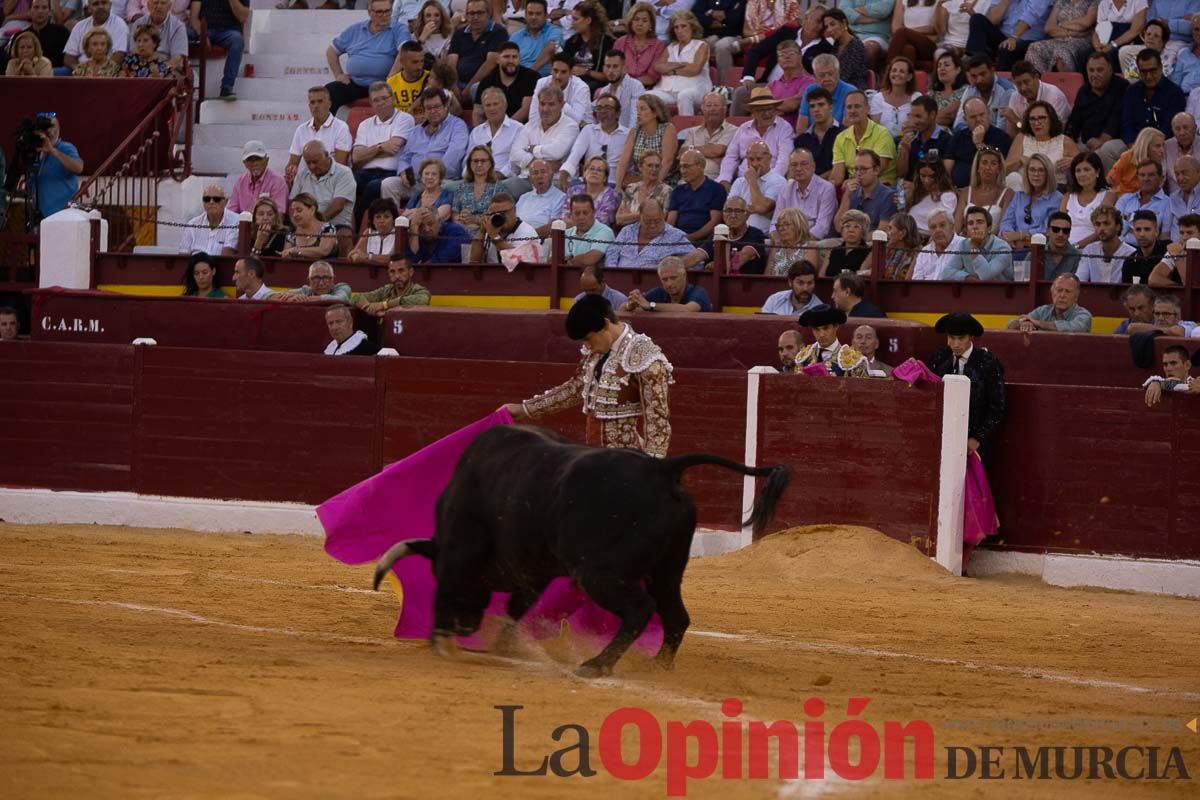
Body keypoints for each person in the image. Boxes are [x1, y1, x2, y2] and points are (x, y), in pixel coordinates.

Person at [506, 292, 672, 456]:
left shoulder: (645, 356)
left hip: (626, 461)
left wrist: (652, 469)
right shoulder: (596, 351)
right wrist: (524, 409)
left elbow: (657, 421)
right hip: (592, 456)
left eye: (589, 338)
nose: (587, 346)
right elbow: (575, 389)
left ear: (606, 324)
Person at [921, 311, 1007, 460]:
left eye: (961, 338)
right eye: (951, 338)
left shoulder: (987, 362)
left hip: (974, 441)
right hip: (943, 435)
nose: (955, 344)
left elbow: (997, 406)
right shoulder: (939, 358)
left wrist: (978, 438)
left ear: (970, 337)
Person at [383, 88, 469, 205]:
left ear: (445, 106)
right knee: (388, 184)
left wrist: (430, 175)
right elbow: (405, 157)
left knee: (445, 186)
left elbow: (453, 156)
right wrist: (403, 172)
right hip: (416, 182)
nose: (433, 111)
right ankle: (395, 221)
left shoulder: (457, 126)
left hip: (442, 181)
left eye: (437, 107)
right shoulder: (417, 130)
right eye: (429, 108)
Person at [323, 0, 409, 112]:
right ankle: (326, 128)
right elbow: (331, 51)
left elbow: (405, 50)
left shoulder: (399, 29)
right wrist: (339, 74)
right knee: (328, 93)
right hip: (355, 83)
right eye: (379, 12)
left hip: (384, 83)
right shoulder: (355, 29)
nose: (384, 15)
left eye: (387, 11)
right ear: (369, 12)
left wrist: (391, 77)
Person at [350, 83, 414, 219]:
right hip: (366, 172)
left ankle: (362, 228)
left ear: (393, 99)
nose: (380, 103)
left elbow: (394, 148)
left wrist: (368, 152)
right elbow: (356, 156)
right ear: (371, 104)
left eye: (384, 98)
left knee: (372, 187)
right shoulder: (365, 124)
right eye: (376, 100)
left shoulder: (405, 119)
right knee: (348, 181)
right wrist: (380, 147)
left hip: (392, 172)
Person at [1065, 51, 1130, 174]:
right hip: (1086, 143)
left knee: (1104, 150)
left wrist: (1101, 140)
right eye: (1091, 70)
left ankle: (1107, 187)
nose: (1095, 74)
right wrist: (1069, 143)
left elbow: (1116, 119)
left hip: (1116, 141)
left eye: (1100, 70)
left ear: (1110, 69)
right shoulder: (1083, 91)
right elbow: (1074, 122)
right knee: (1065, 154)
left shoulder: (1123, 87)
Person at [507, 86, 579, 194]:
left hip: (554, 181)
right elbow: (514, 154)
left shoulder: (571, 126)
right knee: (501, 188)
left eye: (551, 104)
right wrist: (541, 164)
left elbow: (556, 152)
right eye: (542, 104)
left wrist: (532, 149)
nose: (545, 109)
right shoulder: (529, 126)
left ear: (561, 105)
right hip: (526, 179)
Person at [718, 87, 793, 189]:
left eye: (770, 109)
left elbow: (784, 159)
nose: (767, 113)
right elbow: (731, 156)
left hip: (771, 181)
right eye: (762, 110)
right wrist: (725, 179)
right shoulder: (743, 128)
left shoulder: (784, 128)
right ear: (753, 112)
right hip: (742, 181)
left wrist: (771, 181)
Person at [291, 141, 357, 255]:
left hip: (335, 225)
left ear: (327, 155)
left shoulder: (344, 173)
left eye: (315, 162)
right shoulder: (302, 174)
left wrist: (316, 225)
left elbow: (338, 205)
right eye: (308, 163)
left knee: (344, 235)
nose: (312, 166)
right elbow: (292, 203)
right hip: (303, 225)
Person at [999, 153, 1063, 258]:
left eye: (1041, 170)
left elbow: (1047, 229)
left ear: (1048, 174)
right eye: (1032, 170)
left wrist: (1020, 236)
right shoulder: (1019, 196)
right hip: (1014, 245)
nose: (1036, 174)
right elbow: (1007, 222)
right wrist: (1009, 237)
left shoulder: (1056, 198)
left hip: (1039, 249)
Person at [1004, 101, 1077, 190]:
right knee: (1013, 177)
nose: (1037, 123)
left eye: (1042, 118)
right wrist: (1020, 161)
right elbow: (1004, 170)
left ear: (1051, 119)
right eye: (1032, 119)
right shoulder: (1022, 138)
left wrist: (1073, 161)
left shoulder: (1065, 141)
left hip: (1053, 189)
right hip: (1024, 188)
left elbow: (1085, 164)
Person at [286, 87, 352, 185]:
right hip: (308, 180)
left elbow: (340, 166)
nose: (316, 106)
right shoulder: (301, 130)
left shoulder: (341, 128)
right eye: (312, 102)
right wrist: (290, 173)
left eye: (320, 101)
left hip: (333, 181)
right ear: (309, 106)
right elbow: (292, 163)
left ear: (329, 104)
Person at [964, 0, 1055, 71]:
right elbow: (992, 21)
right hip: (1004, 36)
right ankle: (976, 61)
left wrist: (1014, 38)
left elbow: (1030, 15)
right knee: (977, 19)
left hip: (1027, 40)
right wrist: (1006, 1)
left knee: (1007, 48)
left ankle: (1000, 84)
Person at [558, 94, 626, 188]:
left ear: (618, 113)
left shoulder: (627, 135)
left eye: (607, 108)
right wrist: (564, 172)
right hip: (587, 181)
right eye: (599, 108)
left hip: (613, 183)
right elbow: (575, 155)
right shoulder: (588, 130)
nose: (603, 111)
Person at [831, 90, 897, 187]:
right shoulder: (840, 138)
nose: (852, 111)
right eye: (849, 107)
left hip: (881, 187)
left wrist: (852, 181)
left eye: (857, 106)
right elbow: (837, 176)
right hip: (853, 187)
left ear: (868, 109)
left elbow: (877, 170)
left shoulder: (882, 134)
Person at [943, 98, 1013, 189]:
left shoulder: (1002, 137)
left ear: (988, 113)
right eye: (973, 117)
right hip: (957, 190)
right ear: (965, 119)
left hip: (988, 190)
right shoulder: (958, 137)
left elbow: (998, 168)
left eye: (982, 115)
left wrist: (979, 143)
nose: (978, 119)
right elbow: (947, 168)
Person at [1121, 47, 1187, 145]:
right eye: (1144, 72)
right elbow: (1126, 123)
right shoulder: (1131, 91)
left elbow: (1169, 128)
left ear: (1161, 68)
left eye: (1153, 71)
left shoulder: (1174, 93)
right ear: (1138, 71)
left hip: (1163, 145)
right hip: (1132, 144)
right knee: (1108, 151)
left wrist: (1149, 145)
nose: (1148, 76)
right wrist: (1132, 144)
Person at [687, 196, 768, 272]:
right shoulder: (718, 233)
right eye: (728, 211)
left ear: (747, 215)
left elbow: (742, 257)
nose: (733, 215)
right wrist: (676, 265)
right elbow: (696, 256)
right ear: (723, 215)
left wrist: (718, 267)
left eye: (738, 211)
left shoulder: (755, 234)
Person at [614, 95, 678, 190]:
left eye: (643, 109)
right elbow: (623, 161)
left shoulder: (667, 129)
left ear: (655, 113)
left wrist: (653, 186)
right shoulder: (634, 132)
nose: (638, 113)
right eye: (637, 109)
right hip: (638, 180)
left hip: (663, 179)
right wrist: (618, 186)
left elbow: (667, 161)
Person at [607, 200, 694, 269]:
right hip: (620, 282)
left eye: (657, 221)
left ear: (663, 216)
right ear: (640, 217)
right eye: (647, 222)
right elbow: (612, 254)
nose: (652, 226)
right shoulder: (627, 231)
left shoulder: (676, 236)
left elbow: (696, 261)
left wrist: (674, 267)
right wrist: (614, 275)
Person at [446, 0, 509, 92]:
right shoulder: (459, 33)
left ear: (488, 14)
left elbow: (491, 63)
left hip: (484, 83)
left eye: (480, 13)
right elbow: (451, 61)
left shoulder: (498, 32)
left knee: (476, 89)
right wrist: (454, 87)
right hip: (457, 83)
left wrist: (469, 88)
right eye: (471, 13)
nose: (475, 17)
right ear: (466, 15)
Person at [792, 303, 870, 377]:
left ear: (836, 327)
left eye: (826, 328)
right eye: (816, 329)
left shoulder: (855, 361)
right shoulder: (803, 358)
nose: (821, 334)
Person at [190, 0, 247, 100]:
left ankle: (226, 88)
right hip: (203, 29)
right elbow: (194, 18)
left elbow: (242, 17)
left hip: (228, 31)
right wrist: (202, 34)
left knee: (237, 41)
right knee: (181, 33)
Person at [729, 142, 789, 235]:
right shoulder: (739, 182)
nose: (755, 164)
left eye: (759, 159)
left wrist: (752, 181)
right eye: (751, 159)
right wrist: (750, 209)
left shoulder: (778, 181)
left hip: (761, 236)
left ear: (769, 158)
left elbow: (760, 207)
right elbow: (730, 210)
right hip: (735, 233)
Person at [941, 206, 1014, 281]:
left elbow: (986, 276)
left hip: (1000, 291)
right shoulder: (963, 245)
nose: (975, 227)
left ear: (989, 228)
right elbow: (945, 273)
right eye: (970, 223)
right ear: (967, 231)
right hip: (973, 291)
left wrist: (973, 248)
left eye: (980, 222)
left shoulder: (1003, 248)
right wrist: (967, 277)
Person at [31, 112, 83, 219]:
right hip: (41, 217)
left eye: (51, 126)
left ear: (58, 129)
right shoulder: (36, 153)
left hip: (63, 216)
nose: (48, 130)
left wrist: (52, 151)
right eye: (44, 127)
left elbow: (78, 167)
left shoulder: (65, 147)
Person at [668, 150, 726, 242]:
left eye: (686, 166)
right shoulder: (678, 191)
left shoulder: (716, 189)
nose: (683, 171)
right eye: (681, 167)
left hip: (704, 240)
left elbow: (715, 222)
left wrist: (691, 238)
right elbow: (671, 222)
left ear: (701, 166)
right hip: (678, 238)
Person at [472, 42, 538, 124]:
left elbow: (526, 110)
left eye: (514, 57)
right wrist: (481, 131)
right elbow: (478, 112)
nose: (511, 61)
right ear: (498, 60)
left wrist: (506, 129)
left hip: (521, 128)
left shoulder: (531, 77)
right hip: (493, 128)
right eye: (506, 57)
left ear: (519, 59)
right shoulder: (488, 80)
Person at [1003, 60, 1072, 138]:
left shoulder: (1054, 96)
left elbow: (1049, 132)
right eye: (1018, 84)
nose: (1023, 88)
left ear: (1036, 77)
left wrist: (1017, 121)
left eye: (1027, 82)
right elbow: (1012, 133)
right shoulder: (1015, 96)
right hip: (1026, 141)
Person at [466, 88, 523, 183]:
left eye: (495, 104)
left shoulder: (518, 129)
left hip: (504, 179)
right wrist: (470, 176)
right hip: (475, 178)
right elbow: (468, 159)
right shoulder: (476, 132)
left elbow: (516, 161)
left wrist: (498, 175)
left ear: (505, 105)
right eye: (488, 105)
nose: (492, 108)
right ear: (483, 109)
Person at [1024, 0, 1097, 74]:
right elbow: (1048, 27)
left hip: (1081, 40)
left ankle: (1065, 82)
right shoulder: (1061, 2)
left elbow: (1087, 22)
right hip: (1060, 38)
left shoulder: (1092, 2)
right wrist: (1071, 32)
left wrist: (1060, 24)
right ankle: (1044, 80)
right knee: (1034, 47)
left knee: (1062, 51)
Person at [1061, 151, 1116, 247]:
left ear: (1097, 172)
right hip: (1066, 249)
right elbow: (1060, 224)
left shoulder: (1108, 195)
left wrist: (1077, 246)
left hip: (1093, 249)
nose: (1082, 174)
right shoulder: (1068, 196)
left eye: (1086, 169)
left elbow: (1103, 229)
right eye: (1078, 170)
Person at [623, 256, 713, 314]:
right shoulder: (659, 292)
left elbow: (688, 310)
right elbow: (623, 308)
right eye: (665, 279)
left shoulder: (698, 292)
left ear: (684, 275)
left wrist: (651, 305)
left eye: (673, 278)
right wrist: (632, 304)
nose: (669, 283)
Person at [833, 149, 895, 233]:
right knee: (816, 245)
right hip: (847, 241)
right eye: (856, 169)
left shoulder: (888, 195)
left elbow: (882, 232)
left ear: (876, 170)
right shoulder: (851, 192)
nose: (858, 173)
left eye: (863, 169)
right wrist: (846, 196)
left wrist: (857, 239)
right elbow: (838, 227)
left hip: (871, 243)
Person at [794, 54, 857, 136]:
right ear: (815, 77)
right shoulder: (810, 90)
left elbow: (847, 128)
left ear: (838, 73)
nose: (827, 79)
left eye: (830, 74)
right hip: (814, 139)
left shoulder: (851, 92)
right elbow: (801, 128)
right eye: (822, 75)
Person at [1007, 272, 1093, 331]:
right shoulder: (1043, 311)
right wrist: (1024, 323)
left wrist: (1036, 323)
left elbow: (1072, 328)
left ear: (1076, 297)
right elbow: (1011, 324)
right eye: (1059, 290)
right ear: (1052, 293)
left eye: (1068, 291)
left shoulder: (1083, 315)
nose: (1062, 295)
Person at [954, 147, 1012, 234]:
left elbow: (1004, 229)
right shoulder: (966, 192)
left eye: (993, 163)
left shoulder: (1007, 194)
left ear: (999, 169)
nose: (988, 167)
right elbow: (956, 228)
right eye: (984, 163)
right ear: (977, 167)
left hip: (993, 244)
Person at [681, 93, 737, 182]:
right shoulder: (693, 131)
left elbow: (718, 150)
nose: (712, 109)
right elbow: (682, 153)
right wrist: (712, 154)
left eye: (716, 105)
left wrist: (691, 150)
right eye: (708, 105)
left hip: (715, 180)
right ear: (702, 108)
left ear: (725, 109)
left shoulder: (733, 130)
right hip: (689, 179)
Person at [953, 54, 1017, 131]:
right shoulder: (971, 89)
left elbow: (1001, 129)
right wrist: (971, 134)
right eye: (974, 76)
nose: (979, 80)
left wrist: (980, 134)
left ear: (992, 70)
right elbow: (958, 124)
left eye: (982, 74)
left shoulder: (1006, 91)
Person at [527, 55, 596, 128]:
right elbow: (533, 116)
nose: (558, 76)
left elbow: (577, 119)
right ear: (551, 70)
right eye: (555, 70)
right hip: (551, 125)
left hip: (582, 128)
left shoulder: (581, 88)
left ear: (571, 73)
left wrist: (558, 96)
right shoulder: (542, 83)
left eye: (563, 72)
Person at [1114, 161, 1173, 245]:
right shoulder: (1125, 199)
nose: (1146, 179)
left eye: (1151, 175)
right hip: (1119, 248)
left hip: (1147, 252)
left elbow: (1164, 236)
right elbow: (1114, 228)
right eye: (1142, 175)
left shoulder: (1168, 203)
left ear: (1161, 178)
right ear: (1137, 178)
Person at [897, 95, 952, 185]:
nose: (914, 121)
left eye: (918, 116)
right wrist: (905, 149)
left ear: (932, 115)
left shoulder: (946, 140)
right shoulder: (911, 139)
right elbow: (900, 174)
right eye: (912, 116)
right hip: (908, 190)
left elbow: (944, 177)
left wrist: (915, 187)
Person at [561, 0, 613, 94]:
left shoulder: (606, 42)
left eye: (576, 19)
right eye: (572, 19)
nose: (573, 23)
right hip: (572, 82)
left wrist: (586, 72)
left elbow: (609, 76)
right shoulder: (571, 42)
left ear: (588, 20)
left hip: (596, 86)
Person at [62, 0, 127, 74]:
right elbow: (68, 58)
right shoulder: (79, 26)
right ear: (89, 8)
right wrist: (82, 71)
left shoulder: (119, 24)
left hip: (108, 72)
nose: (100, 7)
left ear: (110, 5)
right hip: (81, 71)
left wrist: (100, 73)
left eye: (104, 3)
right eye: (96, 4)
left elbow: (119, 56)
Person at [792, 87, 843, 180]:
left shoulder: (844, 134)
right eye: (812, 106)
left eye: (821, 105)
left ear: (831, 107)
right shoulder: (801, 140)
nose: (816, 109)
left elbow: (843, 168)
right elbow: (794, 169)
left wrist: (815, 183)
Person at [613, 2, 666, 91]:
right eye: (636, 19)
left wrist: (630, 85)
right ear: (631, 22)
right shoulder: (620, 42)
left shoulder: (658, 46)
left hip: (645, 89)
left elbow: (652, 77)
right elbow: (613, 69)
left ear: (651, 25)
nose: (640, 24)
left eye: (645, 21)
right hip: (620, 85)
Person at [353, 256, 431, 316]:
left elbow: (423, 300)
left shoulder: (419, 290)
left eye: (401, 270)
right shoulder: (386, 291)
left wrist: (384, 305)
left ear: (410, 272)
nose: (397, 276)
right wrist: (368, 307)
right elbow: (355, 297)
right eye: (392, 271)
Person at [1076, 205, 1136, 282]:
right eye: (1098, 224)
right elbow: (1080, 280)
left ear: (1117, 226)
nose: (1101, 228)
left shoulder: (1130, 253)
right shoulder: (1090, 250)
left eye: (1106, 223)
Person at [227, 141, 288, 216]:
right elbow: (231, 213)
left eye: (258, 159)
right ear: (244, 163)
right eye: (250, 160)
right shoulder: (240, 182)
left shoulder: (278, 181)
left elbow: (279, 215)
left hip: (269, 226)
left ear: (267, 160)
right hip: (243, 225)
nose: (255, 163)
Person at [615, 150, 672, 228]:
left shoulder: (666, 191)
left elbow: (661, 219)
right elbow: (619, 219)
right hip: (628, 233)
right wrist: (648, 215)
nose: (654, 169)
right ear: (640, 167)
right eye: (650, 165)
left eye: (657, 166)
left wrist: (629, 216)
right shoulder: (631, 188)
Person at [694, 0, 745, 84]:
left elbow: (736, 18)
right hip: (711, 35)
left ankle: (725, 87)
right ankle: (699, 85)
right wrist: (711, 17)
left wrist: (709, 13)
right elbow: (694, 16)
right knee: (697, 45)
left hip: (734, 36)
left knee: (722, 46)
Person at [179, 183, 238, 255]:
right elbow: (183, 255)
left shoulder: (235, 221)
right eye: (207, 199)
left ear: (225, 202)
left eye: (216, 199)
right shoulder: (192, 224)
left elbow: (227, 255)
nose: (211, 202)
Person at [595, 49, 647, 131]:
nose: (611, 71)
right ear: (603, 68)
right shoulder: (604, 91)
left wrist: (628, 139)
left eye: (615, 66)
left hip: (629, 136)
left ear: (624, 68)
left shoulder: (636, 86)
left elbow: (636, 119)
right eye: (608, 66)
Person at [907, 157, 959, 236]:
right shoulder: (916, 191)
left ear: (939, 175)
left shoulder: (947, 196)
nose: (926, 180)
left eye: (931, 176)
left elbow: (943, 224)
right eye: (923, 176)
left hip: (926, 238)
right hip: (907, 232)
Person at [870, 56, 920, 138]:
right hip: (884, 142)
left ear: (909, 77)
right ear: (889, 74)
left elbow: (920, 124)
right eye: (894, 70)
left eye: (902, 71)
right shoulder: (878, 99)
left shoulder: (917, 97)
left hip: (910, 141)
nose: (897, 74)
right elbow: (875, 129)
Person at [510, 0, 563, 77]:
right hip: (517, 77)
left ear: (546, 15)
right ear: (525, 15)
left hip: (543, 80)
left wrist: (529, 74)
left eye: (538, 14)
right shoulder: (517, 36)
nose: (533, 17)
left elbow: (551, 49)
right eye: (530, 13)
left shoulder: (554, 31)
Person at [1108, 126, 1165, 195]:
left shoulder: (1160, 164)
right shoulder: (1128, 157)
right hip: (1123, 198)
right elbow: (1111, 179)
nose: (1162, 150)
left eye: (1163, 145)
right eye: (1157, 146)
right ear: (1146, 146)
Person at [1148, 212, 1200, 286]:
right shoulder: (1177, 250)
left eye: (1190, 233)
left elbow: (1194, 285)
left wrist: (1177, 257)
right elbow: (1153, 279)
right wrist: (1178, 288)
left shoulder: (1176, 253)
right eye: (1181, 233)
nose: (1184, 237)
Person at [822, 8, 868, 90]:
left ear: (844, 23)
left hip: (853, 90)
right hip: (835, 87)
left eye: (832, 24)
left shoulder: (856, 46)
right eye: (827, 26)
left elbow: (845, 76)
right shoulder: (835, 46)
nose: (829, 29)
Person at [406, 206, 473, 263]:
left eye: (430, 224)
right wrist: (414, 227)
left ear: (439, 222)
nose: (426, 229)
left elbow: (445, 258)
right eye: (421, 226)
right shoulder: (417, 236)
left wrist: (424, 265)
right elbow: (411, 261)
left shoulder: (456, 231)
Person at [282, 193, 338, 261]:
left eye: (299, 210)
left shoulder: (327, 228)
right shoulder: (292, 233)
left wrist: (296, 251)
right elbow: (286, 254)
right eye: (292, 211)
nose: (294, 214)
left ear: (312, 210)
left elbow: (324, 251)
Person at [912, 209, 965, 280]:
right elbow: (916, 282)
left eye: (942, 225)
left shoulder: (964, 246)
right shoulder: (924, 252)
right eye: (933, 227)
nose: (938, 230)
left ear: (952, 227)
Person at [270, 260, 352, 304]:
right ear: (309, 280)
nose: (321, 283)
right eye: (316, 278)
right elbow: (277, 295)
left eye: (326, 278)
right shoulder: (307, 290)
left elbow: (341, 299)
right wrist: (290, 298)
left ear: (333, 279)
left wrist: (306, 299)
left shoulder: (342, 287)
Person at [766, 208, 817, 277]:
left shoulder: (809, 247)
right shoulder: (777, 247)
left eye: (786, 224)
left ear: (799, 225)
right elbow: (767, 276)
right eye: (779, 226)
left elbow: (808, 277)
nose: (781, 229)